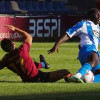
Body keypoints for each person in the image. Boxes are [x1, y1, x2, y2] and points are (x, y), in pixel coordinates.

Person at [0, 25, 72, 83]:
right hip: (39, 77)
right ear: (13, 44)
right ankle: (72, 80)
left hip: (25, 80)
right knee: (65, 72)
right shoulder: (22, 50)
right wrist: (15, 28)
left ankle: (43, 64)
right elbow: (29, 37)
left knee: (28, 64)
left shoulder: (6, 59)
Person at [48, 8, 100, 83]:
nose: (99, 16)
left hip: (94, 53)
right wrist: (57, 43)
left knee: (97, 68)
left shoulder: (98, 28)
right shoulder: (83, 24)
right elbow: (68, 34)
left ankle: (89, 80)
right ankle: (77, 76)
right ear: (91, 15)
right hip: (87, 49)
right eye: (97, 14)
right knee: (94, 59)